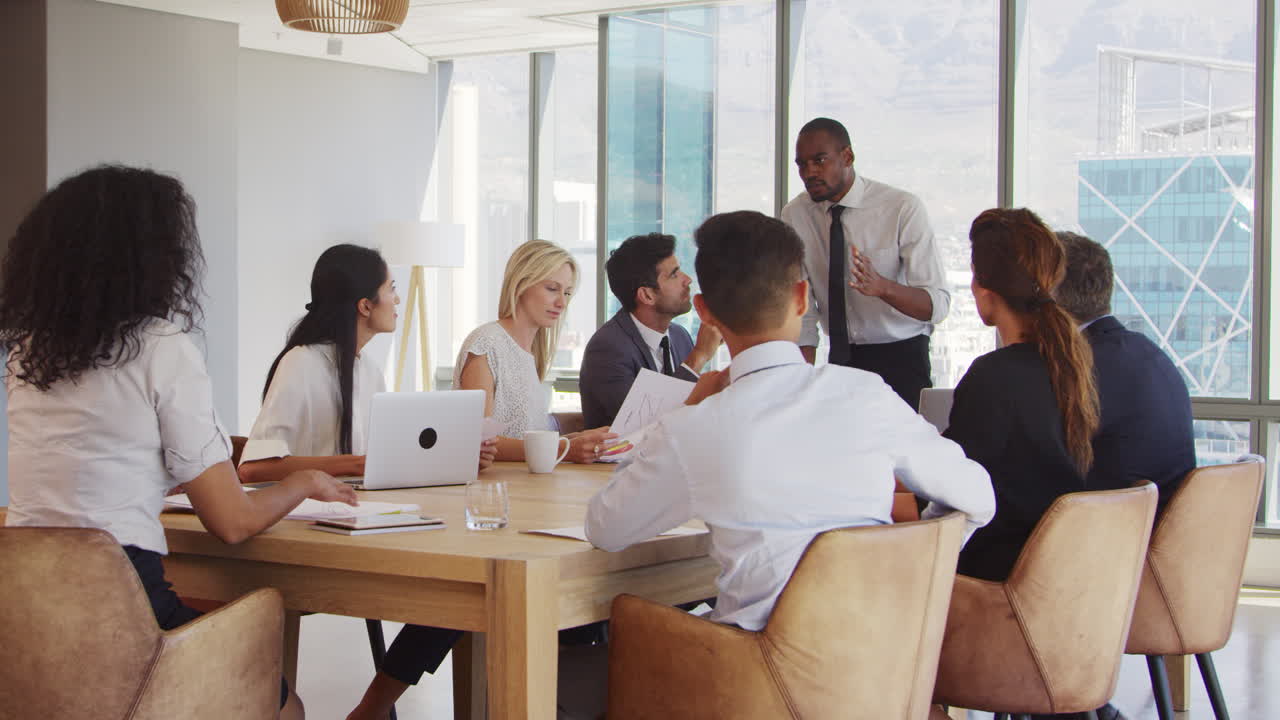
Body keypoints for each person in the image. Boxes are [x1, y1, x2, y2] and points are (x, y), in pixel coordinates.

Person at [0, 165, 358, 720]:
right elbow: (232, 522)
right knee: (288, 706)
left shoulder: (26, 355)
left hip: (28, 624)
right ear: (153, 257)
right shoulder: (160, 347)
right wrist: (302, 482)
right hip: (128, 612)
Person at [586, 210, 994, 633]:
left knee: (633, 632)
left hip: (755, 679)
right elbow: (979, 497)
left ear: (705, 312)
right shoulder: (868, 395)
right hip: (882, 667)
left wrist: (683, 412)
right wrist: (907, 564)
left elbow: (605, 529)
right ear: (802, 297)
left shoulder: (694, 428)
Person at [235, 244, 496, 720]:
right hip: (306, 533)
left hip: (356, 522)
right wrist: (349, 463)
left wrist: (456, 454)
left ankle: (371, 708)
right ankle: (374, 709)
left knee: (466, 587)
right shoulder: (301, 364)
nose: (397, 299)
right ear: (365, 306)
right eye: (391, 289)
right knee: (454, 588)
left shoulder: (367, 369)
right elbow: (253, 469)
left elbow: (378, 465)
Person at [944, 208, 1100, 584]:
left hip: (998, 580)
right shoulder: (1073, 367)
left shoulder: (993, 378)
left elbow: (952, 492)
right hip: (1061, 574)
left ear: (983, 290)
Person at [781, 117, 950, 410]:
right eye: (801, 164)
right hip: (841, 360)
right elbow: (803, 309)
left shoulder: (900, 208)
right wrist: (800, 379)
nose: (809, 172)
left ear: (847, 156)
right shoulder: (796, 214)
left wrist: (884, 288)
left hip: (902, 357)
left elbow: (937, 305)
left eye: (819, 161)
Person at [1055, 231, 1194, 512]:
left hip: (1111, 537)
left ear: (1051, 294)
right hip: (1158, 531)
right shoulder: (1150, 353)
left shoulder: (1080, 368)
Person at [455, 239, 622, 463]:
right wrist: (564, 448)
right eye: (552, 289)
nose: (562, 302)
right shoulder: (486, 344)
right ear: (521, 284)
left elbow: (523, 436)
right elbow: (481, 442)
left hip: (529, 484)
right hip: (498, 490)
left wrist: (579, 439)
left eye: (568, 293)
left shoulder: (531, 353)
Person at [579, 232, 721, 428]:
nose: (687, 279)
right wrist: (698, 357)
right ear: (646, 295)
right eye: (674, 274)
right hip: (625, 459)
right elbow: (642, 426)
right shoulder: (607, 348)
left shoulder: (680, 337)